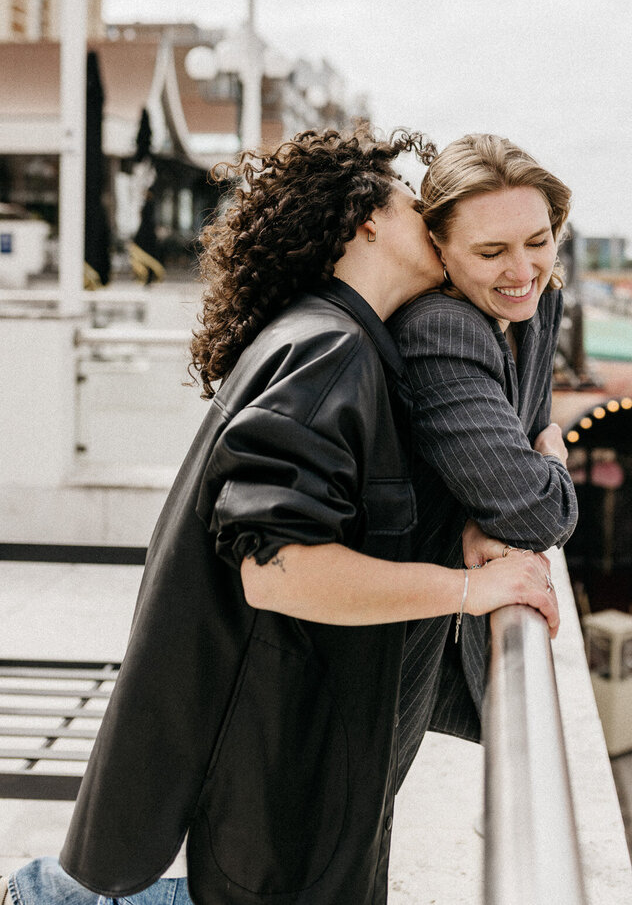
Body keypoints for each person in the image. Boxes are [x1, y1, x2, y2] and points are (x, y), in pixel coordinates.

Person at [1, 128, 557, 905]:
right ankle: (48, 895)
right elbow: (278, 570)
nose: (428, 216)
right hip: (275, 714)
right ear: (367, 219)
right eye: (410, 200)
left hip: (292, 706)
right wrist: (470, 589)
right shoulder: (330, 351)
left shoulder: (332, 336)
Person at [388, 132, 578, 781]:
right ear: (437, 247)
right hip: (383, 639)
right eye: (491, 252)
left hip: (441, 628)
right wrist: (552, 459)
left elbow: (524, 440)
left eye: (538, 241)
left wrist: (489, 503)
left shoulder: (540, 303)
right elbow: (535, 509)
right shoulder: (439, 329)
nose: (522, 271)